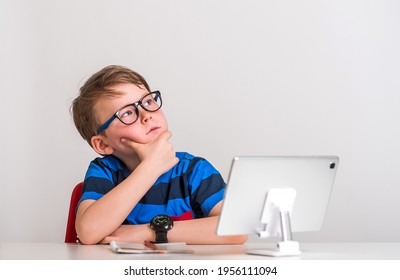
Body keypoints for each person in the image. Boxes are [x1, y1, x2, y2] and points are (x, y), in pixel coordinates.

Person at [71, 65, 247, 245]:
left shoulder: (193, 170)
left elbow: (236, 228)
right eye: (127, 113)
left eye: (147, 102)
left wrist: (147, 232)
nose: (146, 115)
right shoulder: (104, 171)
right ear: (103, 144)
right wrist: (150, 168)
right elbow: (88, 233)